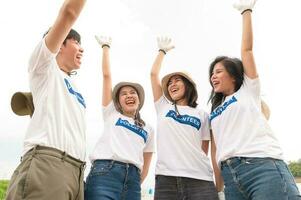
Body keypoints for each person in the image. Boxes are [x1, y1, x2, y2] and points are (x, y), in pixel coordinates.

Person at [209, 0, 301, 199]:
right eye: (211, 73)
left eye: (218, 71)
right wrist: (219, 184)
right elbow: (216, 147)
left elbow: (247, 51)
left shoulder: (247, 91)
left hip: (262, 168)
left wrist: (246, 12)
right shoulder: (215, 110)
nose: (213, 76)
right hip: (231, 176)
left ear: (233, 75)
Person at [5, 1, 87, 199]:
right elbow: (68, 12)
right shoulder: (44, 67)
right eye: (76, 42)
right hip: (49, 165)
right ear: (59, 45)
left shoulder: (75, 88)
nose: (82, 49)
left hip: (77, 172)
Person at [84, 36, 155, 200]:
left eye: (132, 93)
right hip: (105, 174)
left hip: (133, 182)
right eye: (124, 94)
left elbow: (146, 161)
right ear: (118, 101)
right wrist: (105, 47)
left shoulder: (148, 129)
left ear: (139, 99)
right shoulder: (111, 113)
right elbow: (107, 76)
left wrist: (134, 180)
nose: (129, 95)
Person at [150, 36, 218, 200]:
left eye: (177, 80)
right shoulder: (163, 107)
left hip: (201, 180)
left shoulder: (202, 114)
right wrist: (162, 51)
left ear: (188, 85)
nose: (172, 84)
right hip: (166, 180)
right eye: (170, 83)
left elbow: (204, 148)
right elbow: (153, 74)